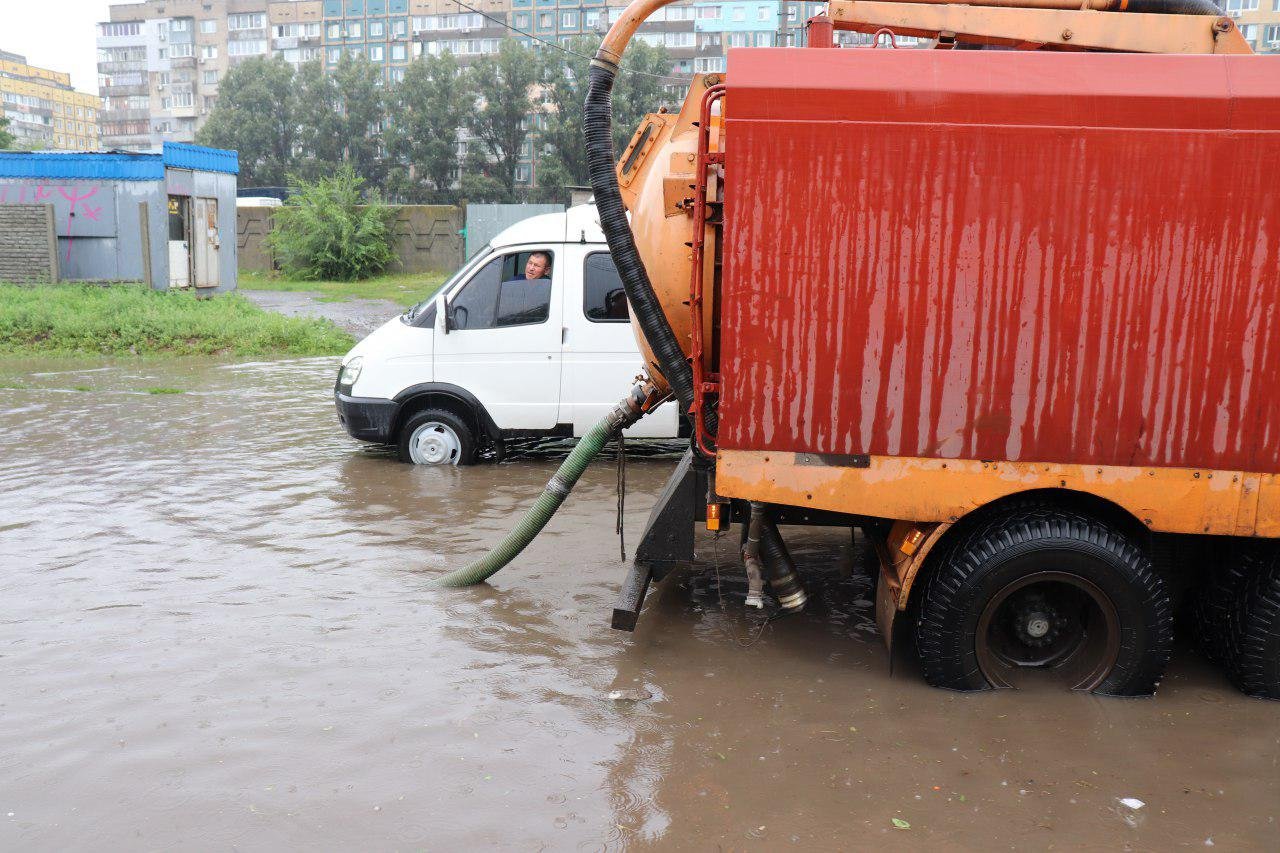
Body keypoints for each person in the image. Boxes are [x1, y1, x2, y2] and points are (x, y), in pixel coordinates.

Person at [497, 251, 553, 326]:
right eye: (530, 263)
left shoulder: (548, 287)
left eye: (536, 266)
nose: (531, 268)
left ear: (546, 271)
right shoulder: (516, 281)